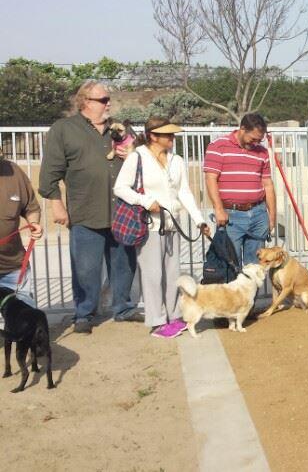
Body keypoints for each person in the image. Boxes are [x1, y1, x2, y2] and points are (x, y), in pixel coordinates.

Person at [39, 81, 140, 333]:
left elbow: (143, 159)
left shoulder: (121, 128)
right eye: (103, 100)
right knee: (86, 268)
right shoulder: (64, 129)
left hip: (122, 211)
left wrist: (134, 155)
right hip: (85, 210)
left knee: (123, 264)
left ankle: (123, 308)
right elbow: (50, 172)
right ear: (85, 101)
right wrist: (57, 205)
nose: (109, 104)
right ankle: (84, 313)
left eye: (108, 99)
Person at [114, 117, 210, 338]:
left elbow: (184, 191)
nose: (172, 138)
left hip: (172, 225)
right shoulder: (137, 157)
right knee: (152, 275)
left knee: (172, 274)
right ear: (153, 136)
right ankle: (157, 321)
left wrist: (199, 220)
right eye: (167, 134)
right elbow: (120, 188)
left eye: (172, 134)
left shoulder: (177, 160)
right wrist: (145, 201)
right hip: (149, 226)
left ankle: (174, 316)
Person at [203, 113, 276, 266]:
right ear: (242, 129)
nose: (256, 143)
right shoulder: (218, 146)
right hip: (231, 216)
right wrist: (219, 209)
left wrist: (272, 217)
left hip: (258, 214)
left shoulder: (262, 152)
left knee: (256, 268)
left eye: (259, 140)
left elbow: (268, 184)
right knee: (231, 266)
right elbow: (211, 179)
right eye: (253, 139)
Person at [0, 156, 43, 307]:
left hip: (13, 267)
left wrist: (34, 223)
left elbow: (31, 207)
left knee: (26, 318)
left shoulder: (14, 172)